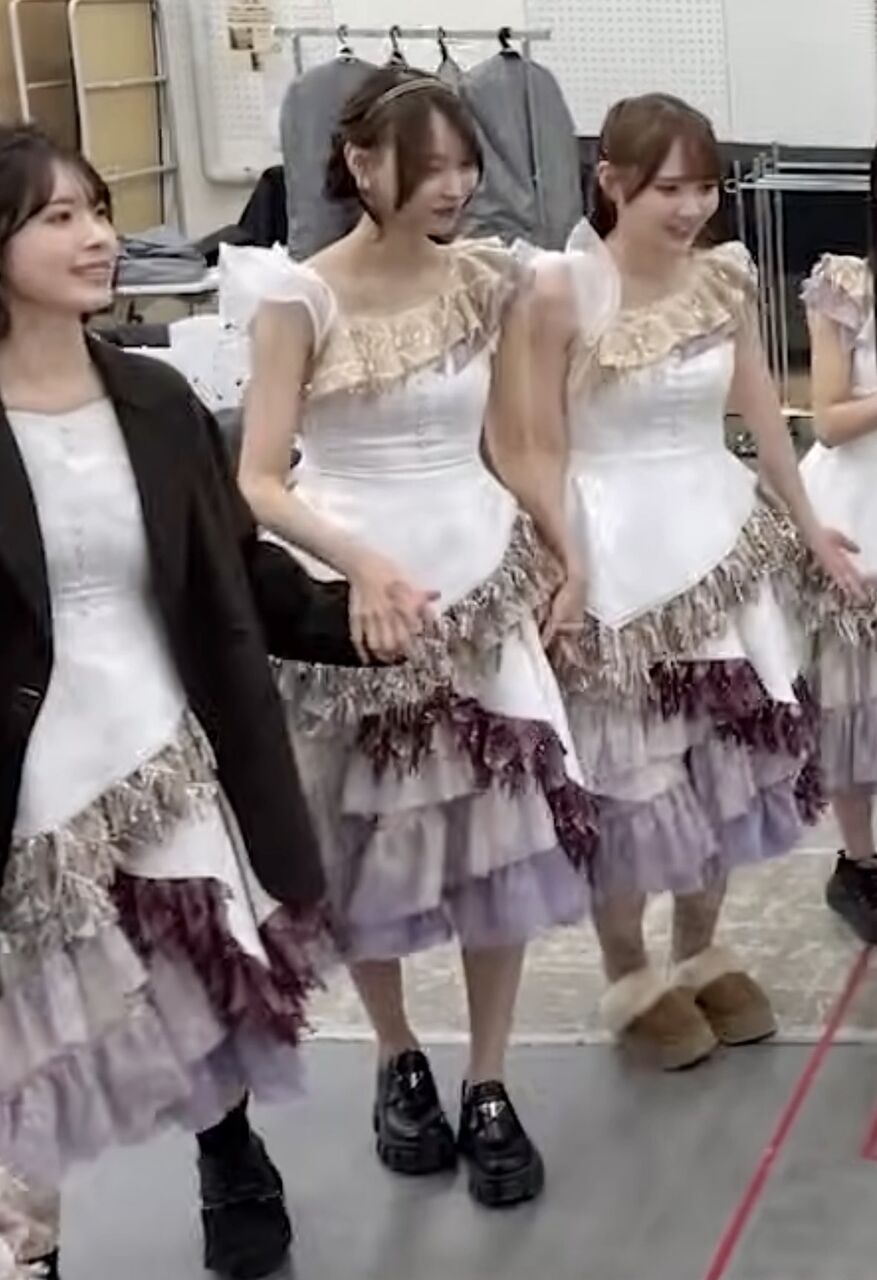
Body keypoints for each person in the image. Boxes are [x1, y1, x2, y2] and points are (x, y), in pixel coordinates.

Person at [0, 125, 429, 1280]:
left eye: (98, 209)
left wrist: (352, 613)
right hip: (29, 764)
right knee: (32, 1015)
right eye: (59, 217)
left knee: (200, 967)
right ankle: (27, 1242)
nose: (98, 237)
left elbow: (234, 569)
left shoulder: (153, 398)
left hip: (161, 739)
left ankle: (228, 1149)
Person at [227, 66, 596, 1208]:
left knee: (499, 839)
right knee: (363, 844)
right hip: (354, 603)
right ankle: (396, 1056)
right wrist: (357, 563)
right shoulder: (298, 297)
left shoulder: (489, 280)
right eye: (430, 166)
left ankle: (489, 1077)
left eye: (465, 165)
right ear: (361, 163)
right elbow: (259, 477)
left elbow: (514, 443)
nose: (454, 187)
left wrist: (565, 553)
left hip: (476, 578)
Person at [496, 93, 864, 1071]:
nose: (692, 206)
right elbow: (532, 441)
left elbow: (764, 414)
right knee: (632, 777)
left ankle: (700, 949)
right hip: (611, 555)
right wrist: (560, 557)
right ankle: (630, 972)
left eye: (704, 187)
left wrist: (808, 528)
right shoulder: (556, 289)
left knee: (724, 766)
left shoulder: (722, 277)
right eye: (669, 188)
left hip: (719, 544)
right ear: (611, 182)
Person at [800, 142, 877, 942]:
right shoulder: (843, 285)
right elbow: (825, 416)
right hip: (857, 505)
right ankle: (858, 861)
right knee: (852, 698)